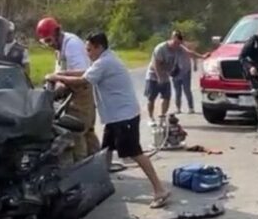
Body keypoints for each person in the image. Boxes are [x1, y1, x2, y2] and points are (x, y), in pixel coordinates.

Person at [47, 32, 171, 208]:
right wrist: (62, 72)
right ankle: (99, 187)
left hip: (123, 116)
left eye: (89, 49)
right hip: (115, 117)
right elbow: (87, 72)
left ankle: (160, 190)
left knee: (135, 153)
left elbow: (83, 81)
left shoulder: (105, 62)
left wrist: (58, 77)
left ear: (99, 47)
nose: (87, 53)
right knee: (105, 151)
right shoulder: (104, 60)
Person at [36, 17, 98, 159]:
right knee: (87, 131)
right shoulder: (60, 47)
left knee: (76, 129)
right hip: (74, 90)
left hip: (82, 90)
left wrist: (59, 77)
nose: (49, 45)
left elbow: (84, 73)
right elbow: (58, 73)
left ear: (57, 33)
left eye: (49, 40)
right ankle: (98, 163)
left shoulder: (72, 45)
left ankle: (81, 165)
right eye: (45, 42)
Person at [146, 30, 208, 118]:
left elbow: (189, 53)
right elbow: (156, 64)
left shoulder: (179, 48)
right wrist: (159, 77)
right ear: (172, 39)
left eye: (179, 43)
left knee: (166, 97)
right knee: (151, 98)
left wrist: (202, 56)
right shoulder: (161, 48)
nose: (176, 46)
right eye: (175, 43)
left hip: (165, 76)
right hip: (153, 75)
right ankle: (151, 118)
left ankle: (162, 116)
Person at [2, 21, 32, 87]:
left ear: (14, 33)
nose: (7, 35)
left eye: (9, 33)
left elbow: (27, 69)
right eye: (5, 32)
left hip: (15, 83)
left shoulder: (22, 49)